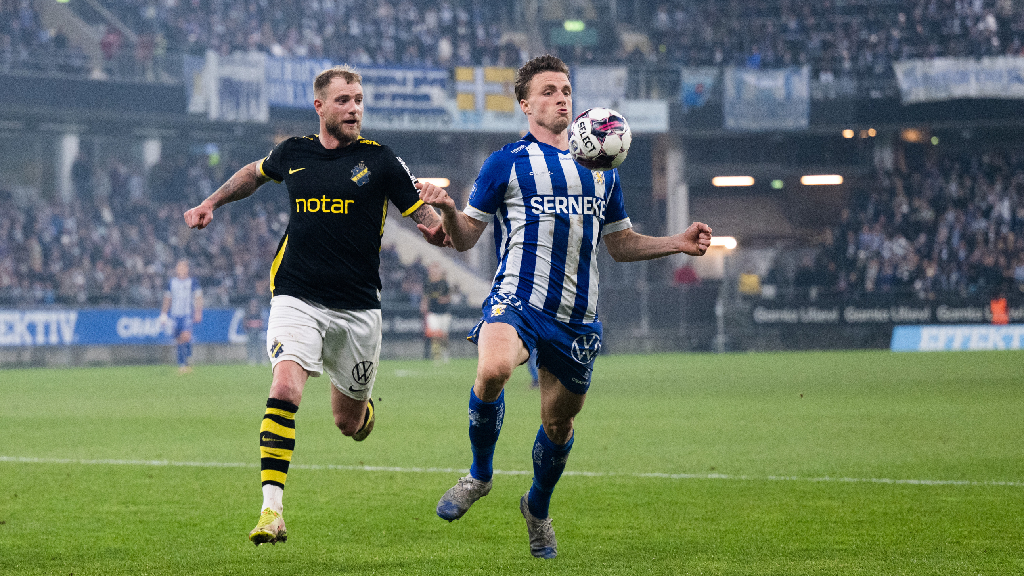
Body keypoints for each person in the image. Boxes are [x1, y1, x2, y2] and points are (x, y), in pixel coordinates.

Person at [417, 54, 712, 559]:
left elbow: (619, 245)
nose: (561, 99)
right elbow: (466, 239)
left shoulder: (602, 169)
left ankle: (536, 506)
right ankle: (479, 475)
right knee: (491, 369)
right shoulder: (504, 162)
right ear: (526, 103)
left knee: (559, 424)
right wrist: (446, 208)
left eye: (566, 91)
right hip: (517, 299)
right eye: (550, 91)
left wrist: (677, 242)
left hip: (577, 317)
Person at [182, 65, 448, 546]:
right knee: (284, 388)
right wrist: (211, 203)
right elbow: (253, 174)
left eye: (359, 100)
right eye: (344, 100)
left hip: (357, 310)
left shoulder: (382, 161)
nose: (354, 109)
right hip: (295, 296)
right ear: (320, 106)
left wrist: (440, 220)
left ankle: (363, 412)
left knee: (348, 424)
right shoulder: (294, 152)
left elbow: (432, 224)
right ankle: (271, 511)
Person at [160, 259, 203, 374]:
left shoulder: (193, 282)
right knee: (179, 339)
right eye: (179, 267)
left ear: (187, 269)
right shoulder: (171, 282)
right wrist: (163, 314)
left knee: (185, 336)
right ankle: (184, 363)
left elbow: (198, 297)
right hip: (175, 315)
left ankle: (184, 363)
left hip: (187, 314)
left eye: (183, 267)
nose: (181, 269)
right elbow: (167, 299)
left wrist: (198, 312)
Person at [420, 262, 453, 362]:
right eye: (431, 270)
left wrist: (444, 300)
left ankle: (445, 352)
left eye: (435, 270)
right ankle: (436, 356)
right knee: (434, 333)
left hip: (444, 312)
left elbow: (449, 297)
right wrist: (423, 305)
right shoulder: (427, 283)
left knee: (444, 335)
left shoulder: (444, 283)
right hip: (432, 312)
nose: (433, 272)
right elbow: (425, 296)